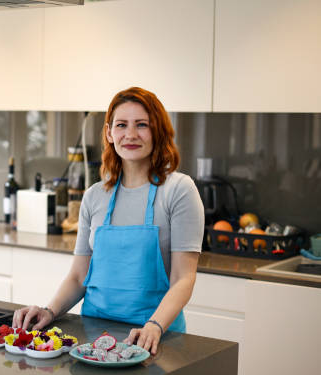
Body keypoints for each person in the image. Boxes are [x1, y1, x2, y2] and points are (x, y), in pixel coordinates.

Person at [12, 87, 204, 355]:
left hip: (154, 339)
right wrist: (49, 310)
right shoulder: (94, 197)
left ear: (157, 131)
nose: (131, 134)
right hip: (92, 338)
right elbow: (79, 276)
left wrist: (154, 326)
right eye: (122, 125)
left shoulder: (179, 190)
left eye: (142, 125)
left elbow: (184, 278)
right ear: (109, 133)